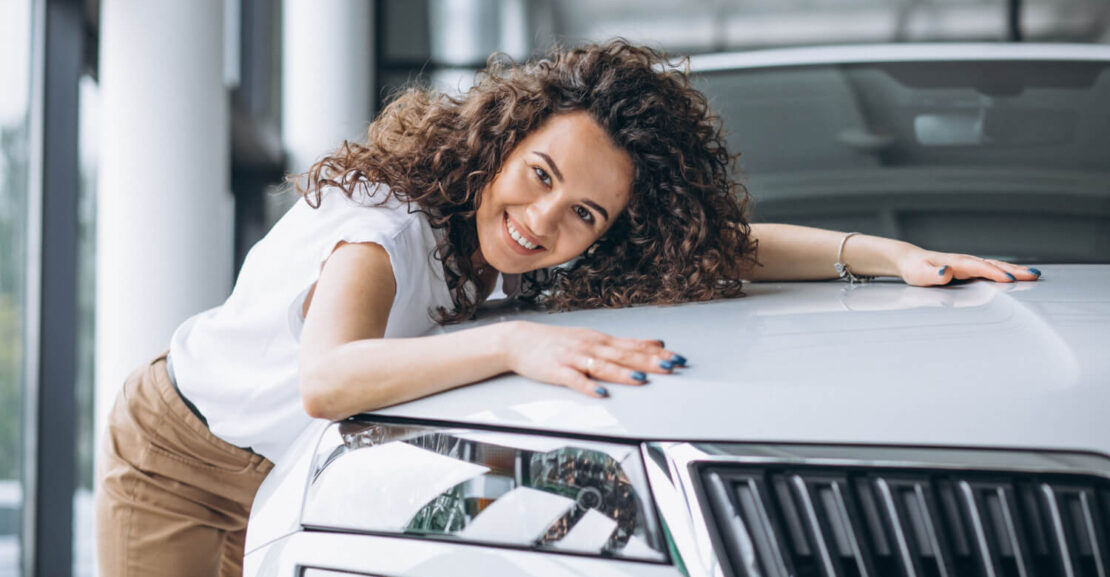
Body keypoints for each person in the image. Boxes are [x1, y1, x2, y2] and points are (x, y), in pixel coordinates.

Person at [94, 40, 1040, 577]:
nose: (543, 221)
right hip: (180, 460)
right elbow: (329, 378)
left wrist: (885, 255)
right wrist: (517, 344)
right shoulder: (383, 223)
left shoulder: (530, 260)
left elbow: (731, 249)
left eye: (584, 211)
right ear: (501, 143)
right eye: (539, 176)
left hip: (302, 482)